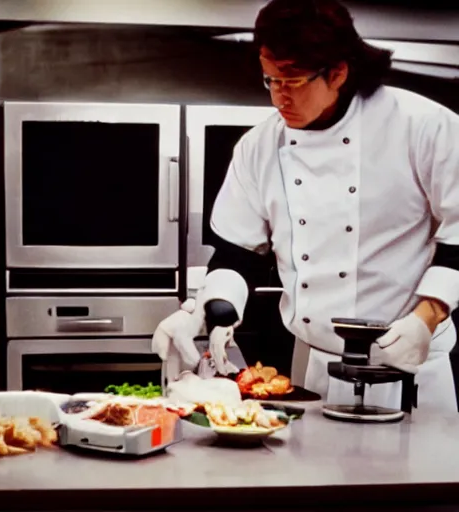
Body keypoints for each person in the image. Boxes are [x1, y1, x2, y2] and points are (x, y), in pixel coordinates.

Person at [152, 0, 459, 414]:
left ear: (338, 72)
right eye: (270, 80)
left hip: (411, 368)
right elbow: (237, 253)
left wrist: (426, 318)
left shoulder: (424, 127)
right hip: (315, 369)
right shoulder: (260, 146)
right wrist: (212, 311)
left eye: (292, 81)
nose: (279, 96)